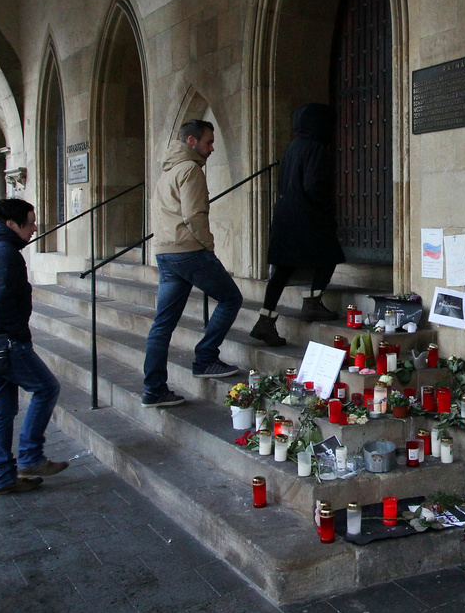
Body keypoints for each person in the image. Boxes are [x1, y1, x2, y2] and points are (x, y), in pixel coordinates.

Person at [0, 198, 65, 496]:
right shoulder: (4, 253)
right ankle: (31, 457)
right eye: (30, 222)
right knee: (46, 388)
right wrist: (20, 336)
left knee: (2, 408)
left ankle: (4, 478)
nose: (35, 228)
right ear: (12, 225)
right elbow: (1, 301)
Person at [142, 119, 242, 407]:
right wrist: (208, 247)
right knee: (231, 298)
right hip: (189, 251)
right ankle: (206, 358)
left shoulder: (169, 171)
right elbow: (195, 215)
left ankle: (154, 389)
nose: (211, 148)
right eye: (208, 142)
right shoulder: (190, 170)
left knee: (163, 324)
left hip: (166, 253)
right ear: (191, 142)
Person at [250, 103, 344, 346]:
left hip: (285, 214)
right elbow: (314, 185)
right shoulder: (316, 148)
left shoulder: (293, 146)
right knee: (330, 254)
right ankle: (312, 302)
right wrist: (327, 208)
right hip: (307, 215)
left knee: (282, 269)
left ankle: (265, 320)